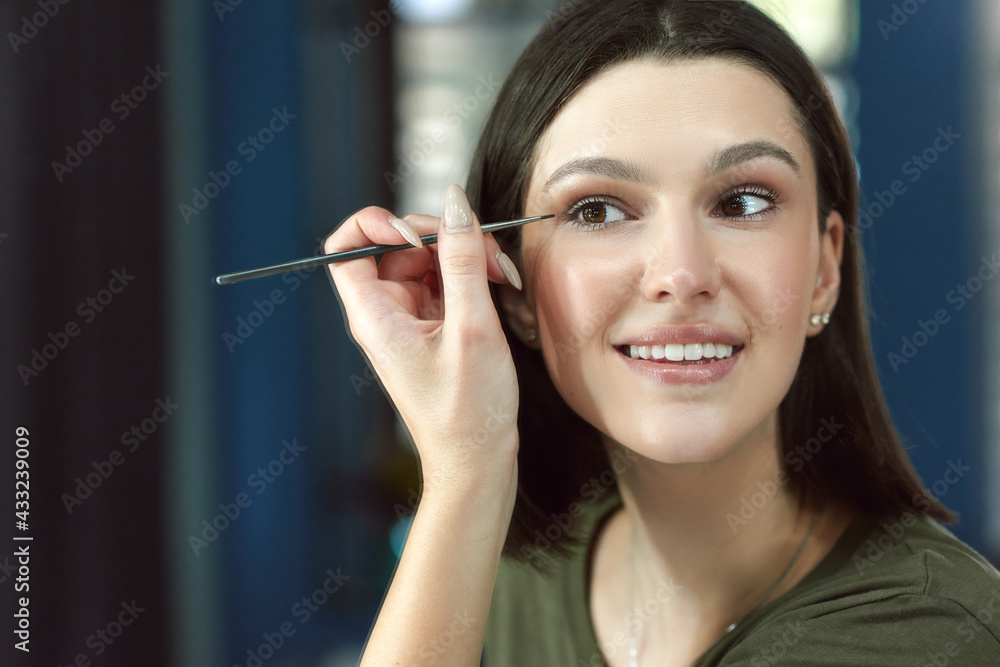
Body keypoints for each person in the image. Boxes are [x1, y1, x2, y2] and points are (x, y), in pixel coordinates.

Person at [324, 0, 1000, 665]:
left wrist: (465, 479)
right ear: (513, 289)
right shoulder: (518, 576)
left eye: (743, 202)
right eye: (597, 210)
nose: (681, 274)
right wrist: (467, 475)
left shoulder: (924, 631)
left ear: (825, 268)